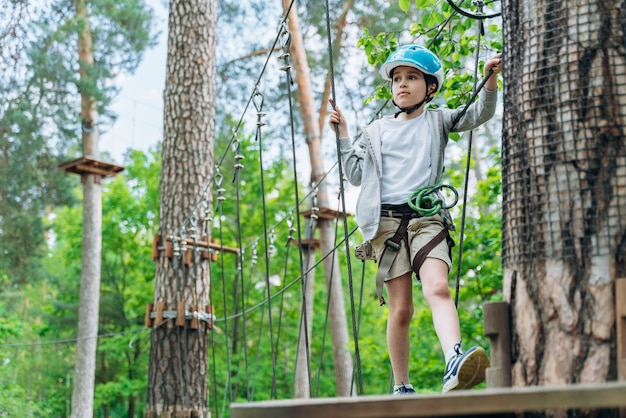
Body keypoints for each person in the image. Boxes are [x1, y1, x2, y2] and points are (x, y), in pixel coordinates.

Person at [328, 44, 502, 395]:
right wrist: (344, 136)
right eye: (397, 79)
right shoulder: (375, 131)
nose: (402, 84)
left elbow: (478, 114)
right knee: (402, 309)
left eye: (412, 77)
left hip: (427, 218)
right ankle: (402, 385)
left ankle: (453, 359)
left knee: (438, 286)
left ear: (430, 87)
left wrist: (490, 80)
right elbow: (357, 175)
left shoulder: (438, 120)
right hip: (388, 225)